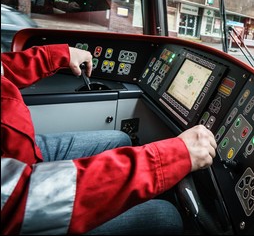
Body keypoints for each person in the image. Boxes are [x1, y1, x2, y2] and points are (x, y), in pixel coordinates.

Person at [1, 44, 217, 235]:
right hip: (18, 196)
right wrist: (170, 157)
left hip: (15, 147)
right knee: (167, 215)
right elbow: (23, 200)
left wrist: (56, 56)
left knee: (119, 138)